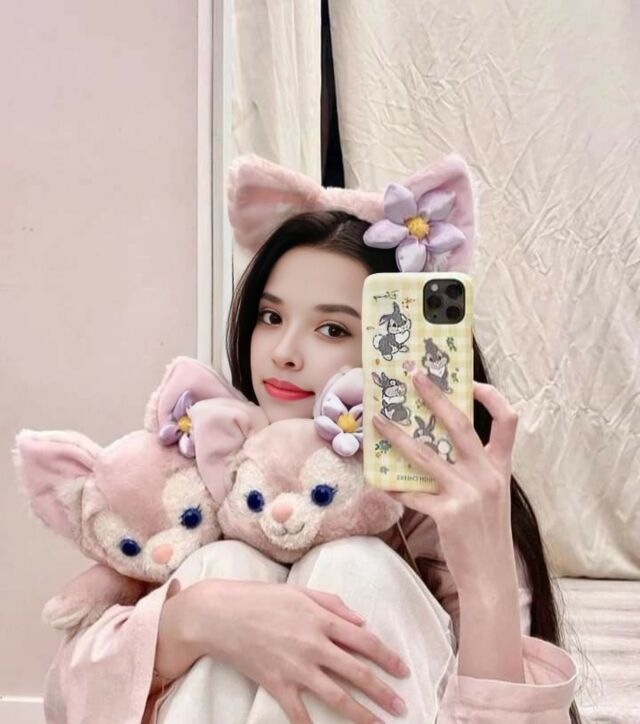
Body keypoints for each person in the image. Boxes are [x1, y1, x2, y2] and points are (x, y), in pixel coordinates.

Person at [43, 155, 580, 724]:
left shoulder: (442, 507)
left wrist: (488, 572)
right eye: (271, 317)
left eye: (332, 328)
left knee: (354, 565)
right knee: (226, 564)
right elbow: (65, 700)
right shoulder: (206, 458)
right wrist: (200, 616)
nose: (284, 352)